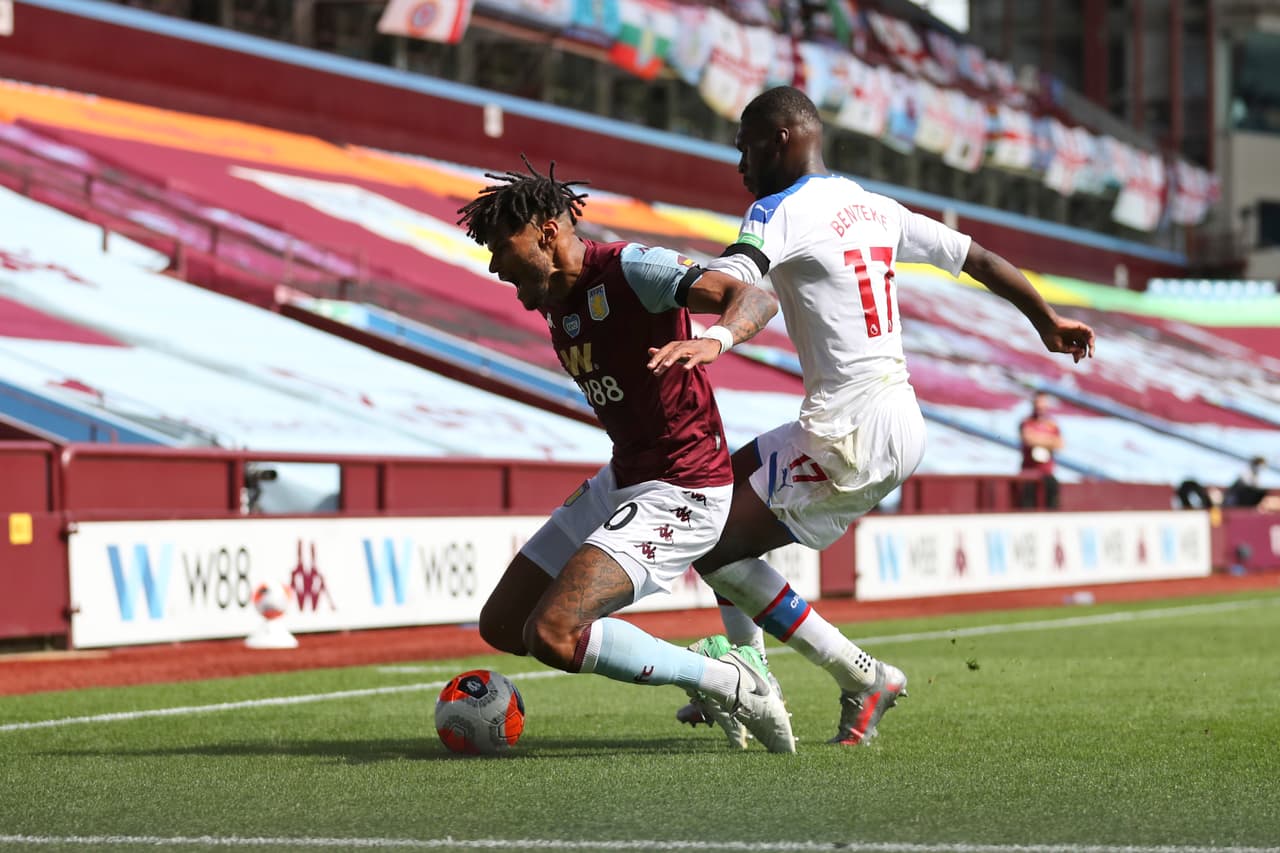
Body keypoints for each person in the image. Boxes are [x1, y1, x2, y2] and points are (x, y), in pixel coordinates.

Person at [647, 86, 1096, 746]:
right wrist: (1047, 320)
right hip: (891, 415)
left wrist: (700, 318)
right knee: (712, 491)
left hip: (850, 430)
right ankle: (751, 668)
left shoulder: (776, 209)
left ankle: (858, 675)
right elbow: (980, 258)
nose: (739, 162)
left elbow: (739, 273)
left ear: (779, 139)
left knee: (710, 539)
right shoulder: (876, 207)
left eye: (744, 146)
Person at [456, 157, 797, 752]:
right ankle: (731, 677)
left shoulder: (631, 268)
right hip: (624, 477)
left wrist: (714, 338)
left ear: (545, 230)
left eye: (499, 245)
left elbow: (754, 297)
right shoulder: (555, 298)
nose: (491, 263)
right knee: (503, 625)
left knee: (555, 634)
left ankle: (733, 681)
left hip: (685, 487)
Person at [1017, 391, 1062, 509]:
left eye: (1043, 402)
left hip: (1047, 472)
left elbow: (1059, 444)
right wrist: (1049, 441)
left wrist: (1038, 438)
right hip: (1029, 471)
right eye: (1038, 402)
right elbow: (1028, 439)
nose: (1040, 406)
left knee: (1052, 501)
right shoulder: (1026, 422)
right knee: (1028, 503)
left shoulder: (1052, 424)